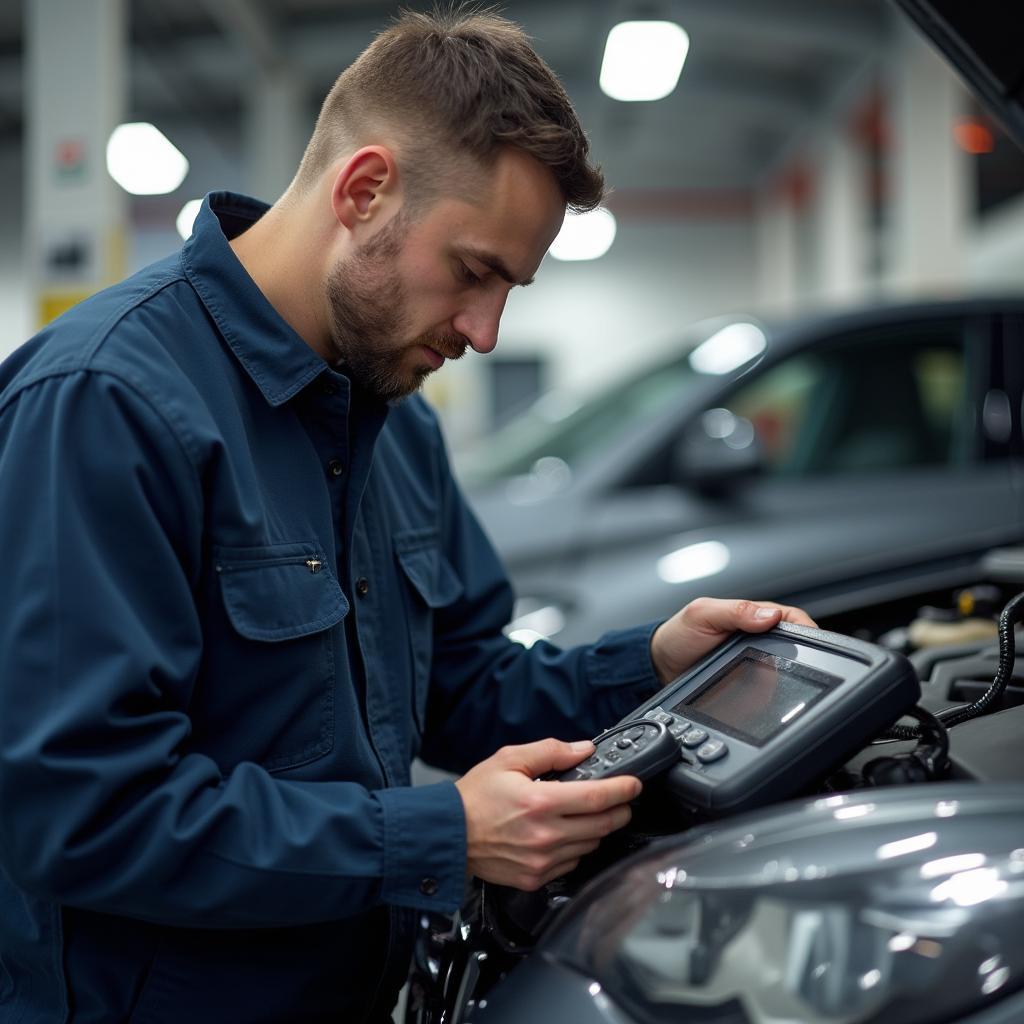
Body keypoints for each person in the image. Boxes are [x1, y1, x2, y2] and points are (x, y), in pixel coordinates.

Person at [0, 8, 813, 1022]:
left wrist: (649, 662)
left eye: (509, 288)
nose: (483, 330)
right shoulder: (107, 403)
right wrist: (438, 835)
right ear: (364, 189)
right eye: (473, 271)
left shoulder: (389, 417)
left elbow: (463, 684)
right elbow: (83, 809)